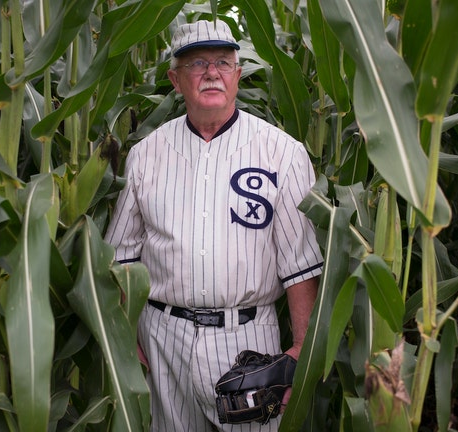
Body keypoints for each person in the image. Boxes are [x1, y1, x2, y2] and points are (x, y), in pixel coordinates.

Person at [104, 19, 323, 431]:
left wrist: (299, 350)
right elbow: (122, 256)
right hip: (163, 338)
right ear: (174, 79)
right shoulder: (146, 154)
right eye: (197, 63)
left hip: (247, 342)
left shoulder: (283, 153)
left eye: (223, 62)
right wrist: (121, 332)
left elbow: (301, 265)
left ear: (238, 76)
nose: (211, 73)